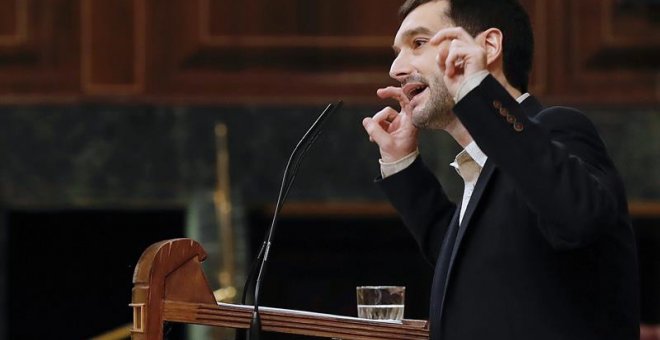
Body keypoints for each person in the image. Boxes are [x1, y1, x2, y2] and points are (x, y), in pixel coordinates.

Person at [361, 0, 640, 339]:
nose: (396, 68)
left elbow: (578, 216)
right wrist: (401, 163)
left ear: (488, 47)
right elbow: (473, 263)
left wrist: (478, 92)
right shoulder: (488, 165)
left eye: (418, 43)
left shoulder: (558, 128)